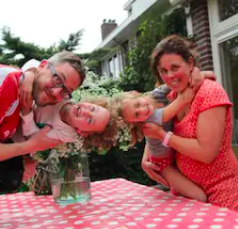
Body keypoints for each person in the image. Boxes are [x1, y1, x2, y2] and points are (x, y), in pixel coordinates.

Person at [141, 35, 238, 210]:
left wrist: (163, 136)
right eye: (163, 70)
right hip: (188, 197)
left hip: (222, 194)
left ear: (190, 63)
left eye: (175, 67)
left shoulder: (210, 93)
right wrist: (146, 156)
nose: (169, 76)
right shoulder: (171, 96)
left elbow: (206, 152)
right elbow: (154, 121)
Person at [0, 51, 85, 192]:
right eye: (58, 79)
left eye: (65, 91)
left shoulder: (23, 99)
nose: (57, 92)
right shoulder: (8, 84)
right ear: (43, 66)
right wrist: (31, 145)